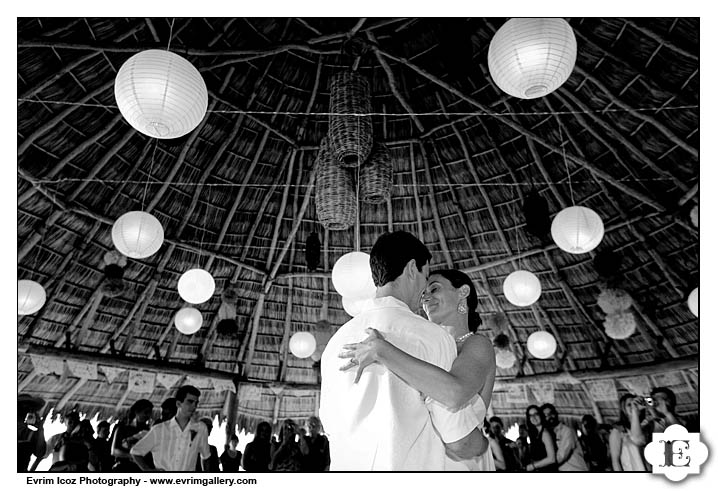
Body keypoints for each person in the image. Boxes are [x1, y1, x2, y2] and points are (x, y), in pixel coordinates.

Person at [321, 231, 487, 471]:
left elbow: (330, 424)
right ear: (412, 269)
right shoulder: (431, 337)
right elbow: (458, 440)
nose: (424, 291)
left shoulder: (336, 342)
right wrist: (482, 445)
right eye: (425, 276)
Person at [131, 385, 211, 471]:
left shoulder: (200, 428)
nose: (194, 406)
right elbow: (135, 452)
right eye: (190, 402)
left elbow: (206, 457)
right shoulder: (159, 430)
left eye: (196, 403)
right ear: (178, 404)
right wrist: (148, 470)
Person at [541, 403, 588, 471]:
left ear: (556, 413)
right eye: (546, 415)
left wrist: (537, 465)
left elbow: (561, 457)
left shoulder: (567, 431)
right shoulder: (548, 434)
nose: (550, 417)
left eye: (551, 413)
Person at [110, 399, 153, 472]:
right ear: (137, 412)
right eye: (145, 412)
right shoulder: (122, 429)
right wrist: (133, 456)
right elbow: (114, 451)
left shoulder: (149, 431)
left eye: (149, 413)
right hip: (123, 468)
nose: (148, 416)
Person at [609, 394, 647, 471]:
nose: (633, 406)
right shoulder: (618, 431)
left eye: (635, 403)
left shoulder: (646, 426)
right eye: (629, 405)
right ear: (623, 409)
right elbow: (615, 461)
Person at [17, 394, 46, 472]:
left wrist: (40, 429)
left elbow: (40, 453)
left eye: (28, 409)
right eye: (21, 407)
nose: (24, 411)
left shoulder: (31, 434)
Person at [524, 405, 557, 472]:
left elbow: (552, 458)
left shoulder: (545, 433)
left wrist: (533, 466)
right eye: (530, 415)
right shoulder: (535, 434)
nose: (534, 417)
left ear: (541, 415)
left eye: (536, 414)